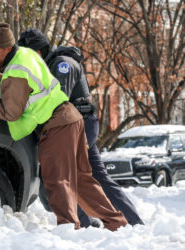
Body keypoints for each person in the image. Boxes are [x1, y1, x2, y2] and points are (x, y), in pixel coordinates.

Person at [0, 22, 128, 231]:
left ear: (6, 48)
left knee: (56, 180)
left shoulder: (16, 71)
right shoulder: (26, 54)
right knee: (82, 180)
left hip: (56, 125)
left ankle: (68, 227)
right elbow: (30, 83)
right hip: (72, 119)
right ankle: (117, 223)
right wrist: (4, 77)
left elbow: (11, 112)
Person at [17, 28, 144, 227]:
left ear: (37, 52)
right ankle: (128, 223)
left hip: (75, 125)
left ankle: (82, 224)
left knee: (66, 176)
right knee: (94, 177)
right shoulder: (52, 64)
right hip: (80, 125)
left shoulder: (62, 65)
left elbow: (55, 103)